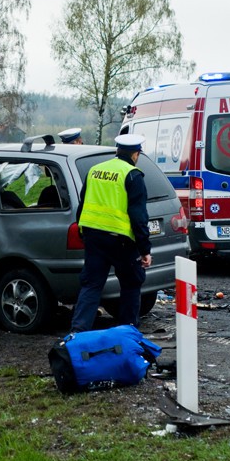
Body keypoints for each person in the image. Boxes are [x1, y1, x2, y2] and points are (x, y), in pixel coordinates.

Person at [71, 134, 151, 332]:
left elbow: (82, 206)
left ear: (117, 150)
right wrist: (145, 250)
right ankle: (128, 332)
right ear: (135, 154)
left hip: (94, 238)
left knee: (91, 286)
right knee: (131, 284)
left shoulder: (94, 171)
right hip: (121, 241)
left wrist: (83, 232)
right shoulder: (133, 175)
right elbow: (138, 217)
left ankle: (77, 333)